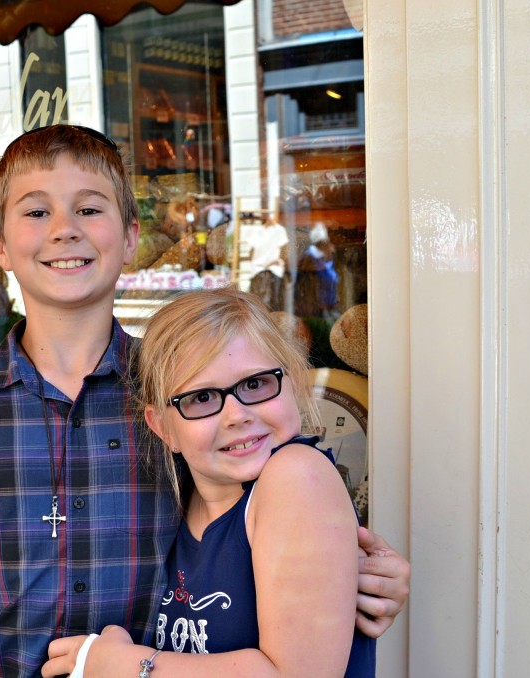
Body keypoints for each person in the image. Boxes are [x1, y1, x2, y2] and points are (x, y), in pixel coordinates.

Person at [0, 125, 409, 677]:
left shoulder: (182, 393)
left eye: (89, 209)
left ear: (131, 237)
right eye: (37, 213)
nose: (64, 230)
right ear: (0, 245)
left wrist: (360, 570)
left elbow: (271, 516)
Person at [43, 288, 374, 677]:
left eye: (255, 384)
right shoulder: (176, 503)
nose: (237, 415)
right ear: (162, 426)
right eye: (201, 398)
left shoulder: (297, 476)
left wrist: (125, 666)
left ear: (293, 382)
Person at [247, 216, 290, 311]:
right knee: (261, 301)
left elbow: (284, 250)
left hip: (272, 270)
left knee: (272, 301)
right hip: (260, 270)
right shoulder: (258, 231)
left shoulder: (280, 230)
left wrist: (278, 261)